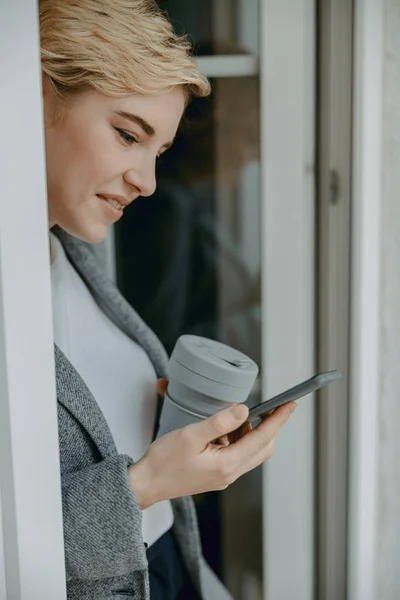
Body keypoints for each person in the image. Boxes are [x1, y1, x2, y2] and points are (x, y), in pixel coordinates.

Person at [40, 1, 296, 599]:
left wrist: (179, 439)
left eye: (156, 153)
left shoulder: (78, 255)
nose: (147, 182)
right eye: (127, 134)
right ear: (36, 95)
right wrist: (146, 482)